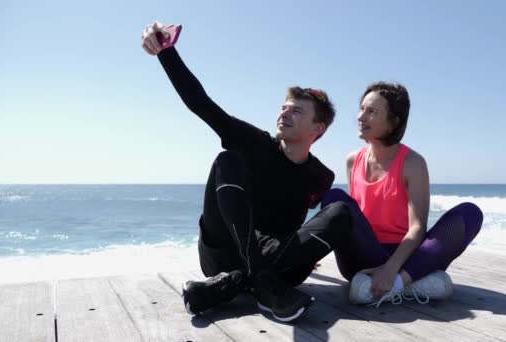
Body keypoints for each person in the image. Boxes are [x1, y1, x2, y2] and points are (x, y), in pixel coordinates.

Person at [141, 21, 354, 322]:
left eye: (296, 110)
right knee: (227, 160)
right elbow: (201, 104)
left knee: (341, 212)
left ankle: (238, 282)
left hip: (270, 256)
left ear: (318, 128)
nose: (284, 113)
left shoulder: (321, 177)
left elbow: (301, 227)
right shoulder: (254, 142)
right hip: (223, 251)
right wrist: (167, 53)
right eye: (284, 107)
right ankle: (260, 279)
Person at [321, 82, 484, 307]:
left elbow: (417, 227)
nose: (361, 117)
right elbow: (351, 220)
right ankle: (414, 282)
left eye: (372, 111)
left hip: (406, 255)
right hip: (363, 257)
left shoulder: (413, 163)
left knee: (470, 213)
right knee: (334, 199)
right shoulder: (353, 160)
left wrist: (391, 269)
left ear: (394, 121)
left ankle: (396, 284)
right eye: (361, 109)